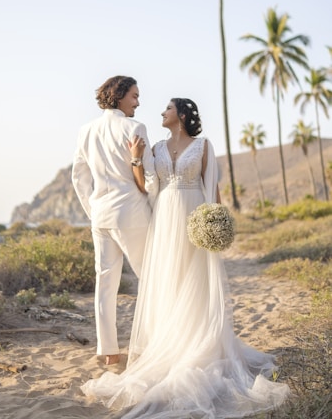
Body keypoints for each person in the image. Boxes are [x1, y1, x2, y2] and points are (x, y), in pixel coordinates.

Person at [80, 97, 290, 418]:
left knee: (197, 280)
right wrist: (137, 159)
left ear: (181, 114)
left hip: (194, 215)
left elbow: (213, 189)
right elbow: (145, 186)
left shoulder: (203, 145)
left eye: (167, 109)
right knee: (170, 281)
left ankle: (198, 340)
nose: (161, 113)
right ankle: (171, 341)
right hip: (165, 220)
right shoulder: (157, 149)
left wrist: (216, 220)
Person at [71, 75, 157, 366]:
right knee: (151, 278)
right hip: (132, 213)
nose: (138, 101)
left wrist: (92, 210)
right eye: (134, 95)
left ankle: (108, 352)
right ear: (119, 96)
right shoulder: (135, 127)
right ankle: (158, 343)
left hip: (101, 215)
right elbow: (149, 178)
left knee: (104, 284)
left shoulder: (86, 130)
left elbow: (78, 176)